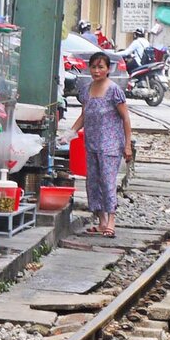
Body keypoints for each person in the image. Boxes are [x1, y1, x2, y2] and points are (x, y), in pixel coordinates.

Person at [65, 52, 133, 237]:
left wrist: (127, 145)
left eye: (100, 67)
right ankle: (101, 221)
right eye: (93, 67)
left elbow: (125, 118)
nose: (96, 71)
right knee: (93, 182)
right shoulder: (86, 90)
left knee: (108, 181)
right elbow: (84, 116)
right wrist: (69, 133)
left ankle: (111, 220)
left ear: (108, 69)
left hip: (111, 145)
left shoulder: (114, 90)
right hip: (92, 142)